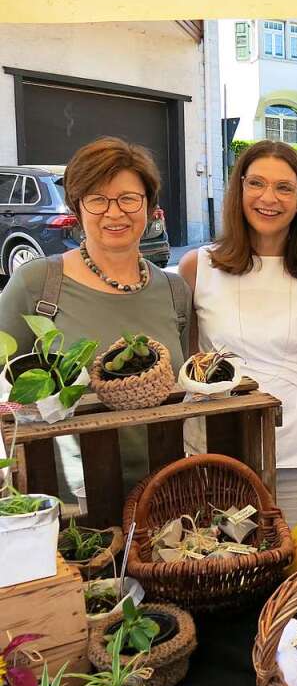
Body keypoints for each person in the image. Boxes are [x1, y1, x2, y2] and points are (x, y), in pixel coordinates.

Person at [0, 136, 190, 494]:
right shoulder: (38, 284)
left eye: (128, 198)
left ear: (149, 206)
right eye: (97, 199)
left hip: (164, 493)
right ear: (78, 206)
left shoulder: (174, 291)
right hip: (69, 498)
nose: (114, 213)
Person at [179, 141, 297, 527]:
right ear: (239, 190)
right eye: (256, 183)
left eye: (284, 188)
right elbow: (189, 366)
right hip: (216, 460)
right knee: (219, 575)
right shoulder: (198, 268)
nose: (268, 198)